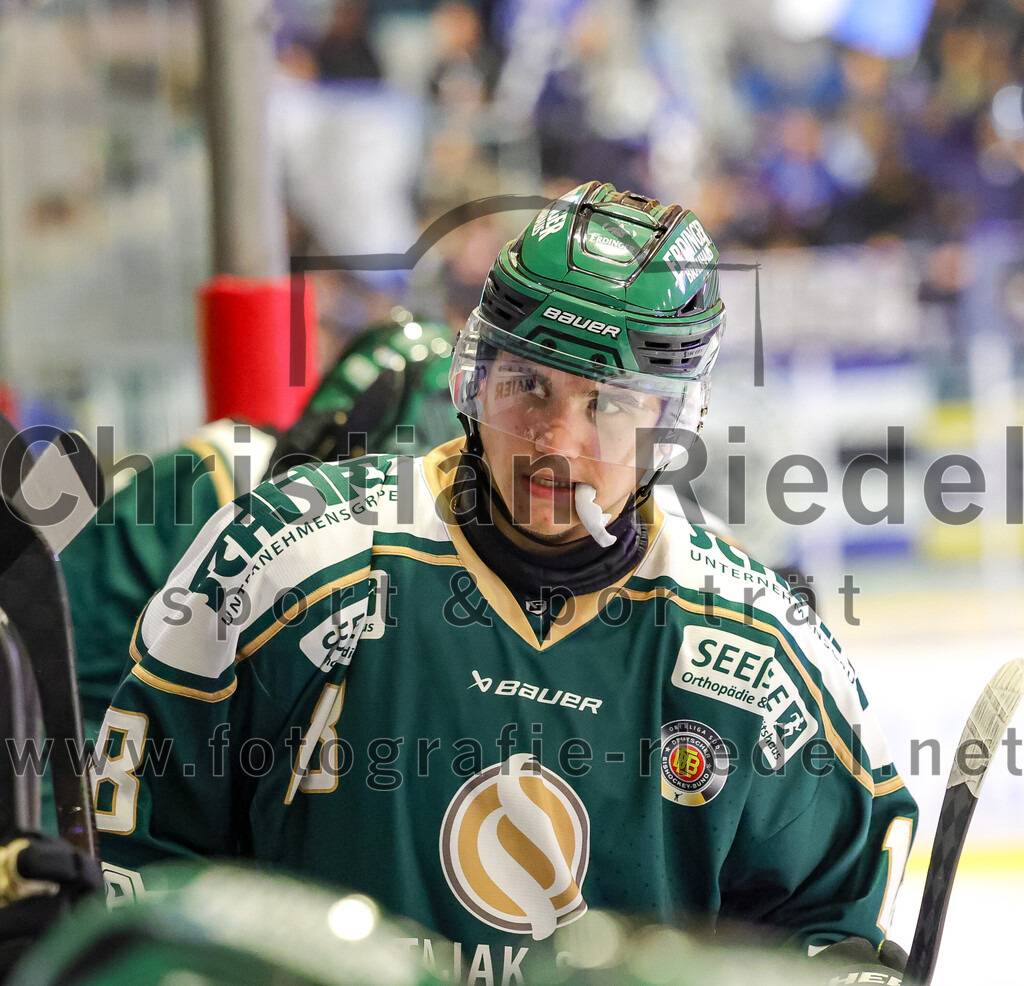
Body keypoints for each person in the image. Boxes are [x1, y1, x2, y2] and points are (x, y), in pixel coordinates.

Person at [91, 183, 916, 981]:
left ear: (669, 422)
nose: (557, 441)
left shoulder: (755, 640)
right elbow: (142, 873)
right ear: (477, 374)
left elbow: (831, 929)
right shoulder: (288, 563)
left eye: (609, 403)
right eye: (530, 386)